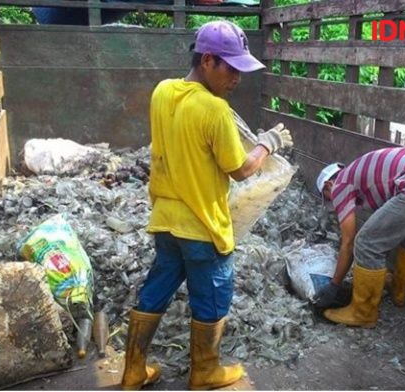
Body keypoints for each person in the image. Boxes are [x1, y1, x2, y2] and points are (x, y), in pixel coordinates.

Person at [121, 20, 293, 390]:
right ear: (209, 61)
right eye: (232, 69)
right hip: (203, 226)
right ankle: (205, 372)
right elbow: (242, 170)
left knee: (156, 289)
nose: (237, 78)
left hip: (166, 220)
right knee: (213, 296)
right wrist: (268, 143)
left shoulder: (163, 92)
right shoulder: (214, 110)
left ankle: (133, 369)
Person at [313, 147, 405, 327]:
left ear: (328, 185)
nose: (334, 202)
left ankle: (363, 313)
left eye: (328, 197)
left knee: (366, 243)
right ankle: (398, 293)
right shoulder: (365, 177)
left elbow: (349, 241)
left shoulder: (340, 184)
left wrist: (334, 285)